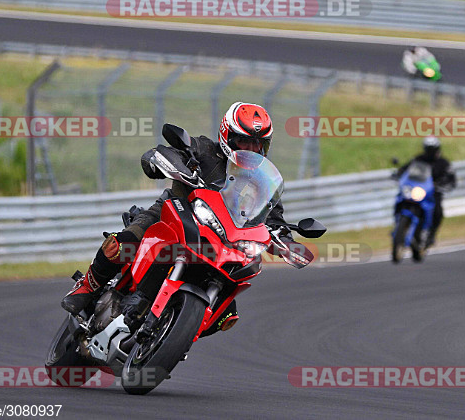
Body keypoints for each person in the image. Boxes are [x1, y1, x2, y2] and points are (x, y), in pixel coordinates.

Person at [61, 102, 293, 325]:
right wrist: (162, 162)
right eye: (244, 141)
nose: (251, 149)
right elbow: (165, 153)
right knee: (122, 245)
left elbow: (273, 217)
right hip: (172, 214)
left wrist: (287, 241)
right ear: (228, 136)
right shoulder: (204, 149)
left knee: (227, 313)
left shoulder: (261, 181)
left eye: (257, 145)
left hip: (222, 240)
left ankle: (172, 330)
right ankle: (87, 287)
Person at [395, 135, 456, 248]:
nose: (430, 152)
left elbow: (451, 178)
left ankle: (431, 234)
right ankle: (399, 226)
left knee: (437, 211)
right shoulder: (418, 159)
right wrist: (398, 173)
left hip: (432, 193)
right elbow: (406, 168)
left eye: (432, 149)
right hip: (416, 189)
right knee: (400, 198)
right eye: (428, 149)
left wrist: (442, 184)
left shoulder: (443, 163)